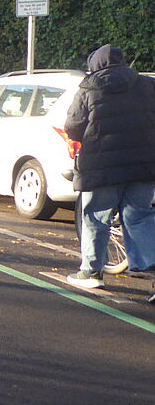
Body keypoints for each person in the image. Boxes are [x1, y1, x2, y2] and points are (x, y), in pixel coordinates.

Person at [63, 44, 155, 289]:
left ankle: (91, 272)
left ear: (95, 65)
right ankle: (151, 272)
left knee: (95, 216)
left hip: (101, 166)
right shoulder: (147, 84)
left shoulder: (88, 87)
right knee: (140, 216)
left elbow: (73, 126)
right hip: (143, 166)